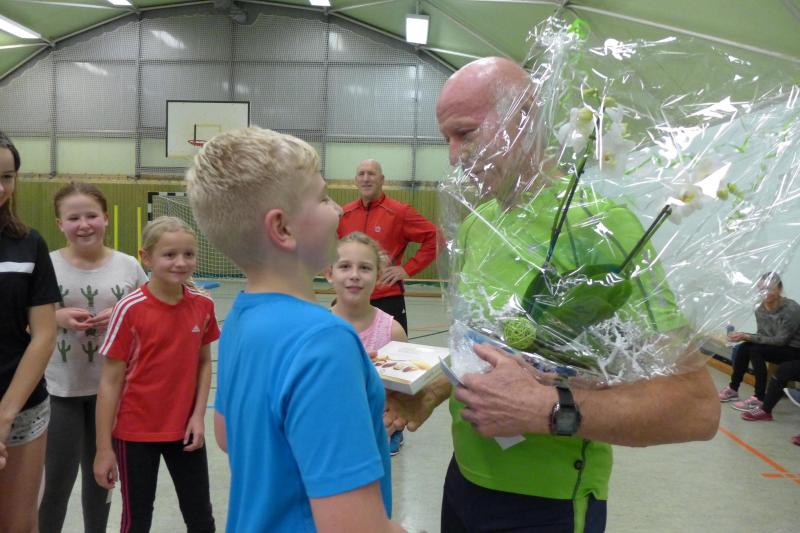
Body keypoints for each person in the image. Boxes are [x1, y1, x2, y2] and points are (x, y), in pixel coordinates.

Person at [385, 57, 720, 533]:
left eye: (466, 133)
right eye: (446, 140)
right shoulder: (481, 224)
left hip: (549, 504)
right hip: (464, 479)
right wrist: (434, 390)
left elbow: (696, 408)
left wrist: (546, 409)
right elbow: (486, 343)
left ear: (525, 119)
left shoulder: (600, 228)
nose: (455, 157)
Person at [186, 127, 404, 532]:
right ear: (283, 228)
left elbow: (227, 436)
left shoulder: (239, 318)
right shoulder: (326, 341)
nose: (337, 210)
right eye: (322, 198)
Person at [93, 216, 217, 533]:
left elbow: (204, 362)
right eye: (169, 254)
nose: (181, 262)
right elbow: (110, 381)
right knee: (137, 521)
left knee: (201, 519)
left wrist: (197, 417)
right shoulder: (130, 309)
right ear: (146, 257)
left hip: (185, 431)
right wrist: (104, 449)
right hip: (134, 433)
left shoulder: (203, 305)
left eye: (188, 254)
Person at [39, 183, 148, 533]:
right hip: (61, 391)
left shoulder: (129, 266)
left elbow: (152, 314)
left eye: (91, 216)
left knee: (102, 480)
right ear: (60, 224)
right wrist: (56, 317)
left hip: (113, 392)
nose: (84, 224)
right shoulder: (46, 265)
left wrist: (124, 312)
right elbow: (22, 322)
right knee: (56, 484)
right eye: (73, 218)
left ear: (106, 218)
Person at [0, 131, 60, 532]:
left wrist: (4, 416)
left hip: (20, 409)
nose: (0, 188)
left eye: (7, 177)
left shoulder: (28, 244)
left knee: (18, 524)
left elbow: (44, 335)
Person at [337, 159, 440, 334]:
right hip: (351, 297)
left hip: (387, 298)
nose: (366, 178)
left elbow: (436, 237)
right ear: (356, 180)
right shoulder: (344, 214)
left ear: (382, 179)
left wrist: (408, 269)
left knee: (393, 350)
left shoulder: (400, 212)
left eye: (371, 174)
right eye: (361, 174)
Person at [327, 232, 408, 455]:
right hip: (330, 434)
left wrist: (394, 418)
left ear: (378, 275)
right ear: (329, 273)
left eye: (364, 268)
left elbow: (404, 393)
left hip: (375, 436)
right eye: (345, 266)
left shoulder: (392, 331)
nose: (355, 275)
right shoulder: (316, 329)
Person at [718, 272, 800, 420]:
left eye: (770, 289)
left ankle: (759, 397)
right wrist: (743, 336)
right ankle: (733, 388)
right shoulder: (759, 308)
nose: (765, 293)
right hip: (777, 347)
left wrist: (748, 336)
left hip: (794, 350)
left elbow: (781, 340)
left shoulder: (791, 308)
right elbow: (763, 335)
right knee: (745, 347)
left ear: (779, 289)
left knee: (755, 349)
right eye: (762, 289)